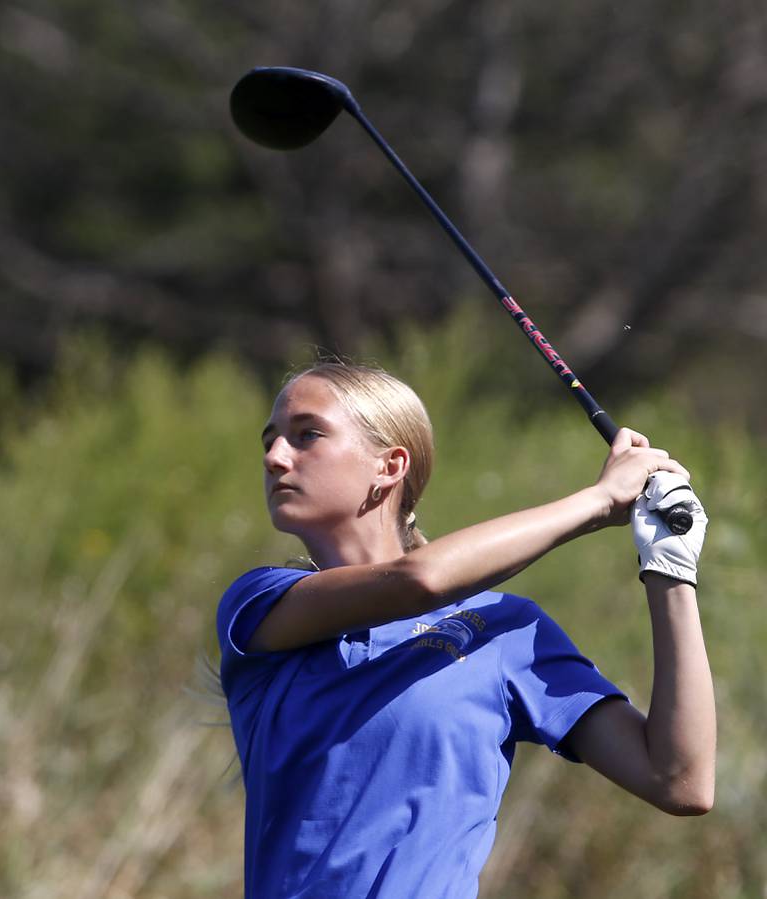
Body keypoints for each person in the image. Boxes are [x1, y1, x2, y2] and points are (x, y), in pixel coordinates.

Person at [216, 361, 714, 899]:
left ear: (389, 466)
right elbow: (420, 580)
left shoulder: (502, 630)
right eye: (270, 441)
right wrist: (597, 501)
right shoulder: (260, 605)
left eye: (306, 435)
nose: (274, 457)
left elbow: (680, 781)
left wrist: (670, 572)